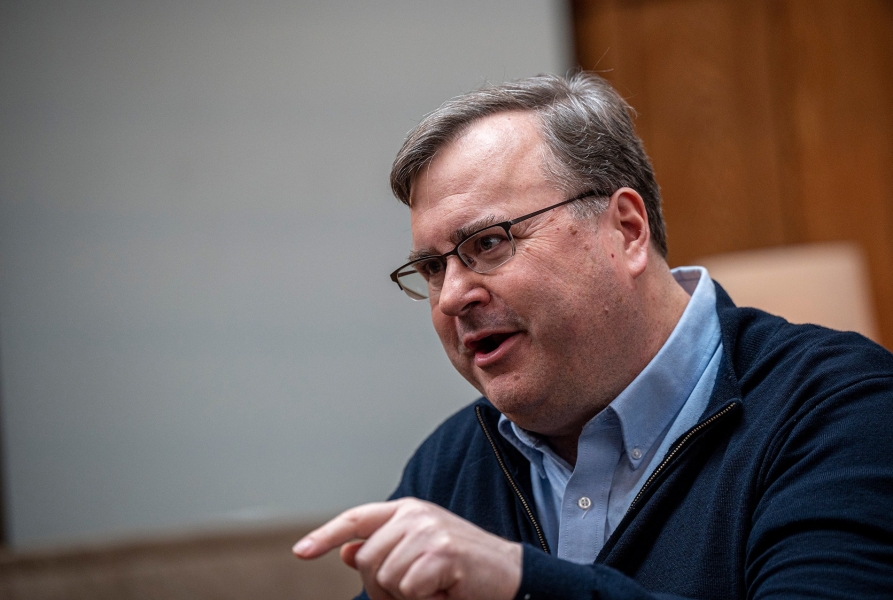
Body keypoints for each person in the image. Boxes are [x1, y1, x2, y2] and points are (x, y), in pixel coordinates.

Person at [293, 73, 893, 599]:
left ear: (627, 230)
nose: (451, 297)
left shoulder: (843, 409)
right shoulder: (450, 465)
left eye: (488, 243)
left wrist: (519, 581)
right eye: (432, 268)